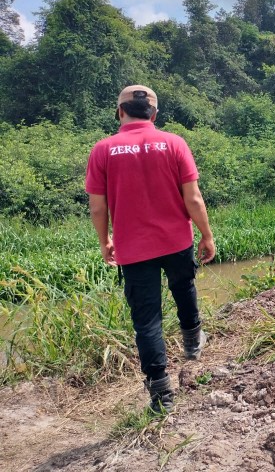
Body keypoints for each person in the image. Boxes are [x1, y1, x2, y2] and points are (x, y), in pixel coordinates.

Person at [85, 85, 215, 413]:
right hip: (177, 241)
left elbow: (98, 208)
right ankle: (192, 343)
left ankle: (161, 393)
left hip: (133, 248)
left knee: (147, 319)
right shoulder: (174, 143)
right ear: (154, 115)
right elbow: (194, 198)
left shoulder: (103, 150)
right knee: (184, 287)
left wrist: (105, 242)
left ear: (120, 112)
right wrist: (207, 235)